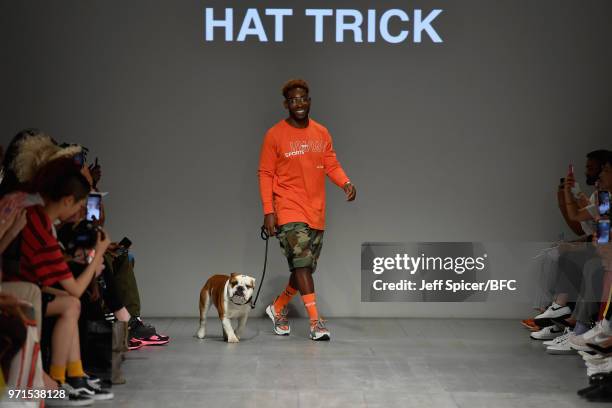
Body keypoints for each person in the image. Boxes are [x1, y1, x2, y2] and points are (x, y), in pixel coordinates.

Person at [2, 157, 113, 404]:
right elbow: (74, 287)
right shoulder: (37, 220)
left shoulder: (36, 216)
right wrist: (99, 254)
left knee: (70, 303)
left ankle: (67, 376)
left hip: (28, 287)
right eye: (80, 205)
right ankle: (50, 380)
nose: (80, 212)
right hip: (21, 290)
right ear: (67, 200)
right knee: (67, 299)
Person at [258, 79, 356, 341]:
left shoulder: (321, 132)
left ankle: (278, 307)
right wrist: (269, 210)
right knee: (301, 263)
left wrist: (345, 182)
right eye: (293, 100)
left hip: (316, 210)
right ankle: (316, 323)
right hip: (288, 207)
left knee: (305, 268)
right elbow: (266, 173)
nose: (298, 103)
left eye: (302, 98)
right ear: (286, 104)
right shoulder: (275, 134)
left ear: (309, 100)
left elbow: (330, 164)